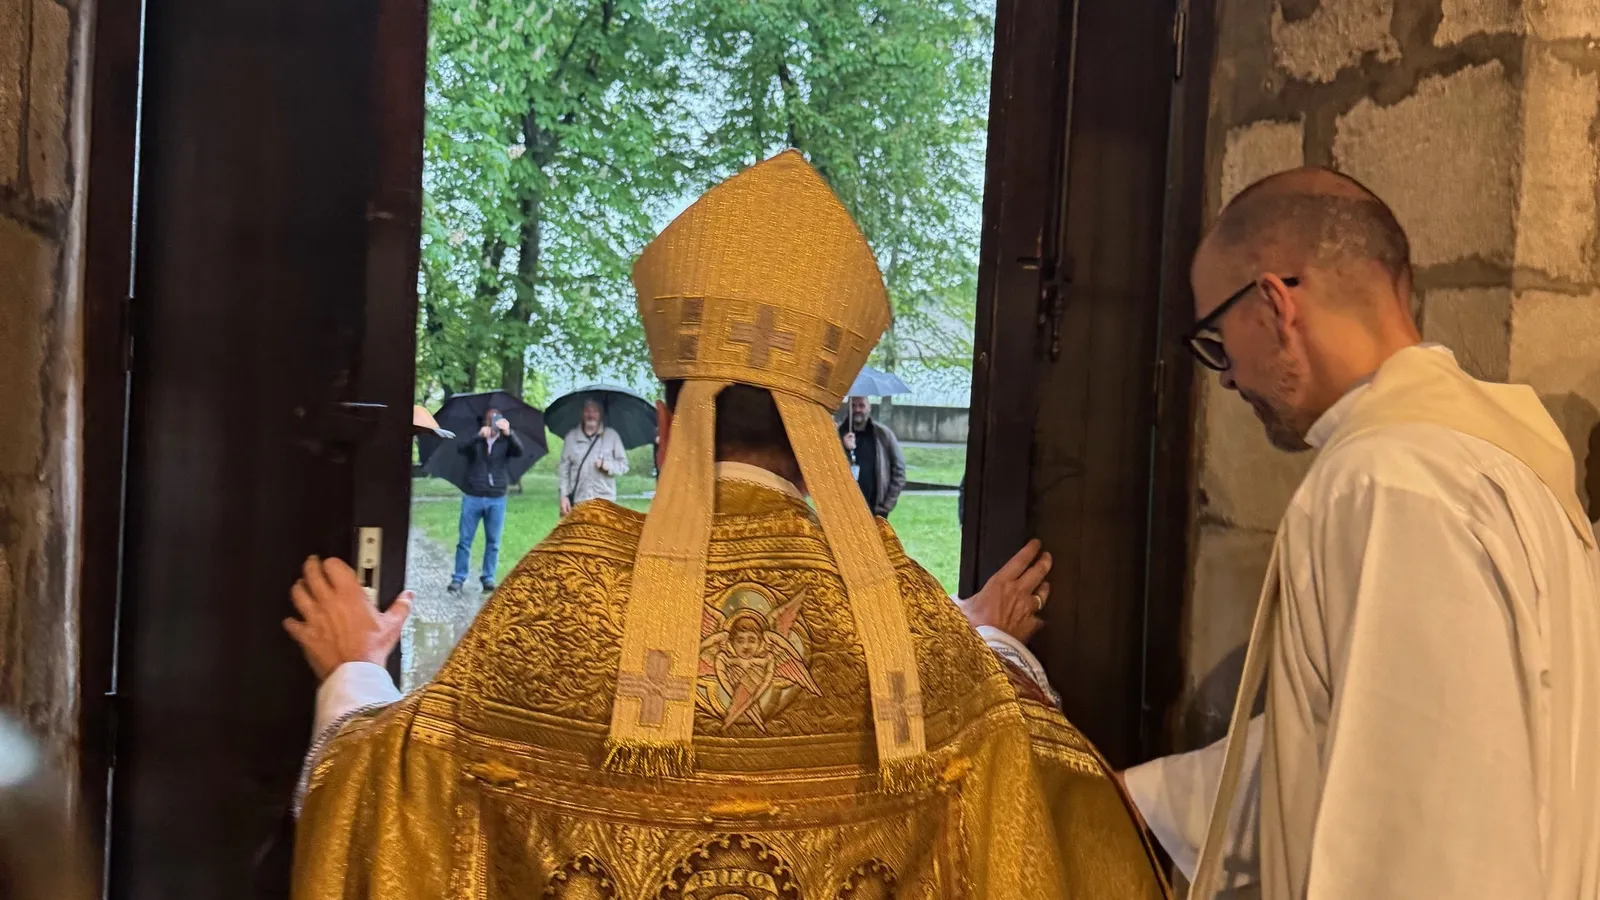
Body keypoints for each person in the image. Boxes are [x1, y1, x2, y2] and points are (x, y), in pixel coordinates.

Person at [284, 151, 1167, 898]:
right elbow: (1040, 790)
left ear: (669, 430)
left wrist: (352, 671)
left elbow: (388, 793)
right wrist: (990, 645)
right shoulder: (904, 625)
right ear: (820, 441)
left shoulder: (564, 595)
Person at [1121, 167, 1600, 898]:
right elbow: (1361, 731)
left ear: (1273, 304)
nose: (1228, 378)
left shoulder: (1390, 482)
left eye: (1217, 341)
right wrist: (1146, 801)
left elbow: (1429, 844)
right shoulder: (1497, 457)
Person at [448, 407, 525, 594]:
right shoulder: (476, 439)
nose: (493, 421)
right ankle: (458, 578)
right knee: (464, 540)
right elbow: (460, 449)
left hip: (496, 497)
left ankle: (488, 578)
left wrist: (509, 433)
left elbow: (519, 451)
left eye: (497, 418)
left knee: (493, 542)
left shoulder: (506, 441)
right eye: (490, 418)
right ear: (484, 421)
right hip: (473, 495)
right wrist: (477, 437)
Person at [557, 397, 630, 516]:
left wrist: (608, 466)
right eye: (587, 411)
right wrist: (563, 496)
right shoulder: (571, 437)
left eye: (595, 411)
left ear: (601, 414)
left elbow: (624, 465)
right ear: (582, 413)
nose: (591, 415)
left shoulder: (612, 436)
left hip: (605, 501)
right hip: (579, 500)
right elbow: (563, 471)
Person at [839, 395, 907, 517]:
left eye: (861, 405)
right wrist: (844, 448)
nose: (857, 409)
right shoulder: (837, 434)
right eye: (853, 406)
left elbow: (899, 471)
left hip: (875, 511)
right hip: (844, 510)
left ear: (869, 407)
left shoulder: (883, 434)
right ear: (847, 408)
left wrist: (886, 506)